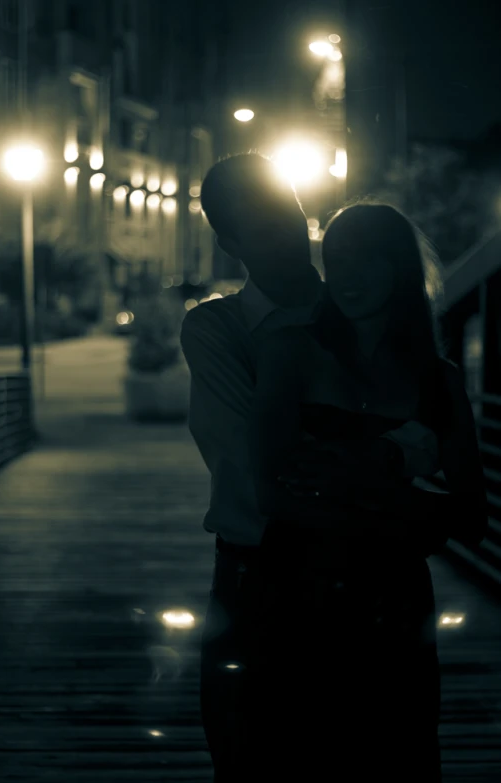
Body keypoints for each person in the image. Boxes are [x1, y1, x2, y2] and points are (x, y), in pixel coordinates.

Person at [180, 153, 450, 780]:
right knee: (262, 760)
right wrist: (393, 466)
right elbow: (259, 464)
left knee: (392, 758)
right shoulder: (217, 328)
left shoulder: (371, 309)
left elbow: (435, 426)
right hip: (267, 578)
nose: (288, 233)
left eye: (291, 212)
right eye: (263, 225)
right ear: (230, 244)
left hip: (376, 579)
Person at [244, 202, 488, 781]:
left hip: (394, 604)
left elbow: (474, 517)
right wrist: (404, 510)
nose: (347, 276)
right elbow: (271, 495)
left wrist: (359, 478)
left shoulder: (439, 378)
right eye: (336, 260)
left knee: (396, 753)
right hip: (297, 593)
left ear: (400, 267)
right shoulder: (289, 350)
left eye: (366, 261)